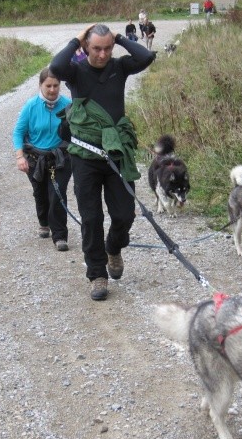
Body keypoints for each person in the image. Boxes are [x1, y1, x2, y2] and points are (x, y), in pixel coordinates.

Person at [49, 24, 156, 301]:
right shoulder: (76, 71)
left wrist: (120, 38)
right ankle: (97, 274)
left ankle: (113, 247)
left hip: (116, 152)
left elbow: (145, 58)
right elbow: (57, 66)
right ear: (87, 47)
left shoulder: (119, 67)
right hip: (84, 154)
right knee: (91, 217)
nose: (103, 54)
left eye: (107, 48)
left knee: (125, 214)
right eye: (96, 48)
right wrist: (77, 39)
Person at [13, 68, 73, 251]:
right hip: (35, 159)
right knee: (40, 194)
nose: (53, 89)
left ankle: (60, 236)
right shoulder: (31, 106)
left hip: (60, 158)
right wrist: (19, 157)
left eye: (56, 85)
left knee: (57, 194)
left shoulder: (68, 105)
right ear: (41, 85)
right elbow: (18, 132)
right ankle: (44, 222)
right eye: (48, 86)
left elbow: (77, 132)